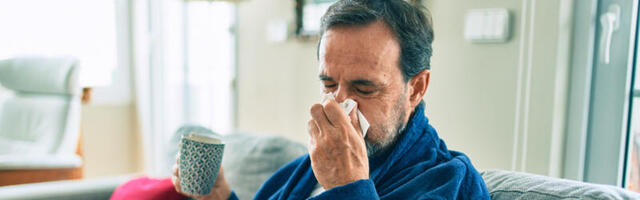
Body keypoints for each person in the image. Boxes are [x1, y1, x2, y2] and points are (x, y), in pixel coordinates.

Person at [172, 0, 490, 199]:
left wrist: (347, 189)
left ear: (416, 88)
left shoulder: (450, 183)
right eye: (329, 84)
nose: (339, 106)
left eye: (364, 89)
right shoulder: (306, 168)